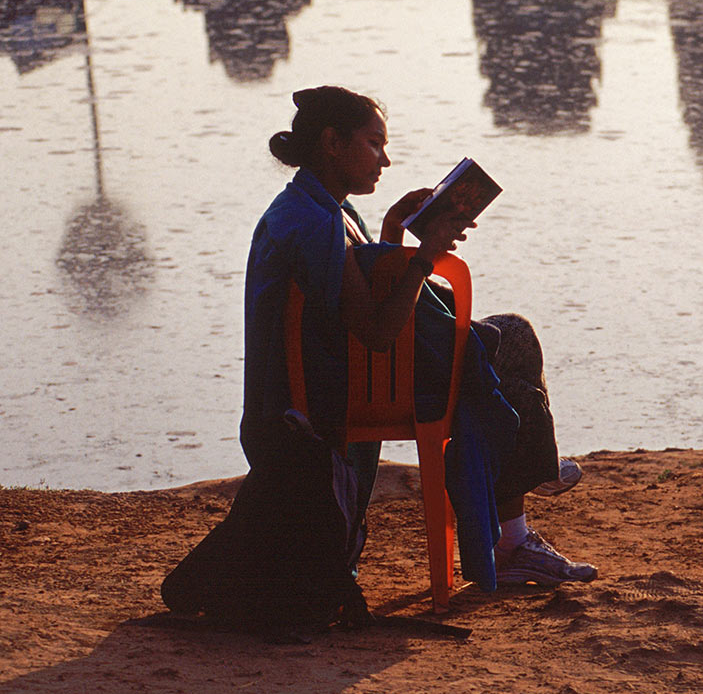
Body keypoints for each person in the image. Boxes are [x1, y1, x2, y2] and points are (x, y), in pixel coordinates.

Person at [164, 86, 593, 626]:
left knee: (501, 342)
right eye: (374, 144)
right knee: (512, 339)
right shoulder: (319, 223)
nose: (385, 159)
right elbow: (376, 332)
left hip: (326, 382)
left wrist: (393, 231)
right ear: (333, 144)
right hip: (328, 397)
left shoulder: (315, 207)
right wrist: (427, 256)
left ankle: (526, 484)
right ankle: (524, 490)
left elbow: (361, 297)